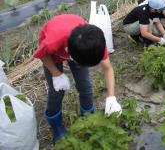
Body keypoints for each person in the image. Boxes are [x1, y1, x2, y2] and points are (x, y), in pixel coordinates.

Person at [33, 14, 122, 144]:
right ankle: (57, 127)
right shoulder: (52, 42)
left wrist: (111, 97)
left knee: (85, 86)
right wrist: (56, 73)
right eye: (82, 64)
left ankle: (88, 119)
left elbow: (108, 68)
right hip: (53, 53)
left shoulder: (94, 43)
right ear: (68, 51)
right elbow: (42, 55)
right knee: (56, 92)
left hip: (78, 49)